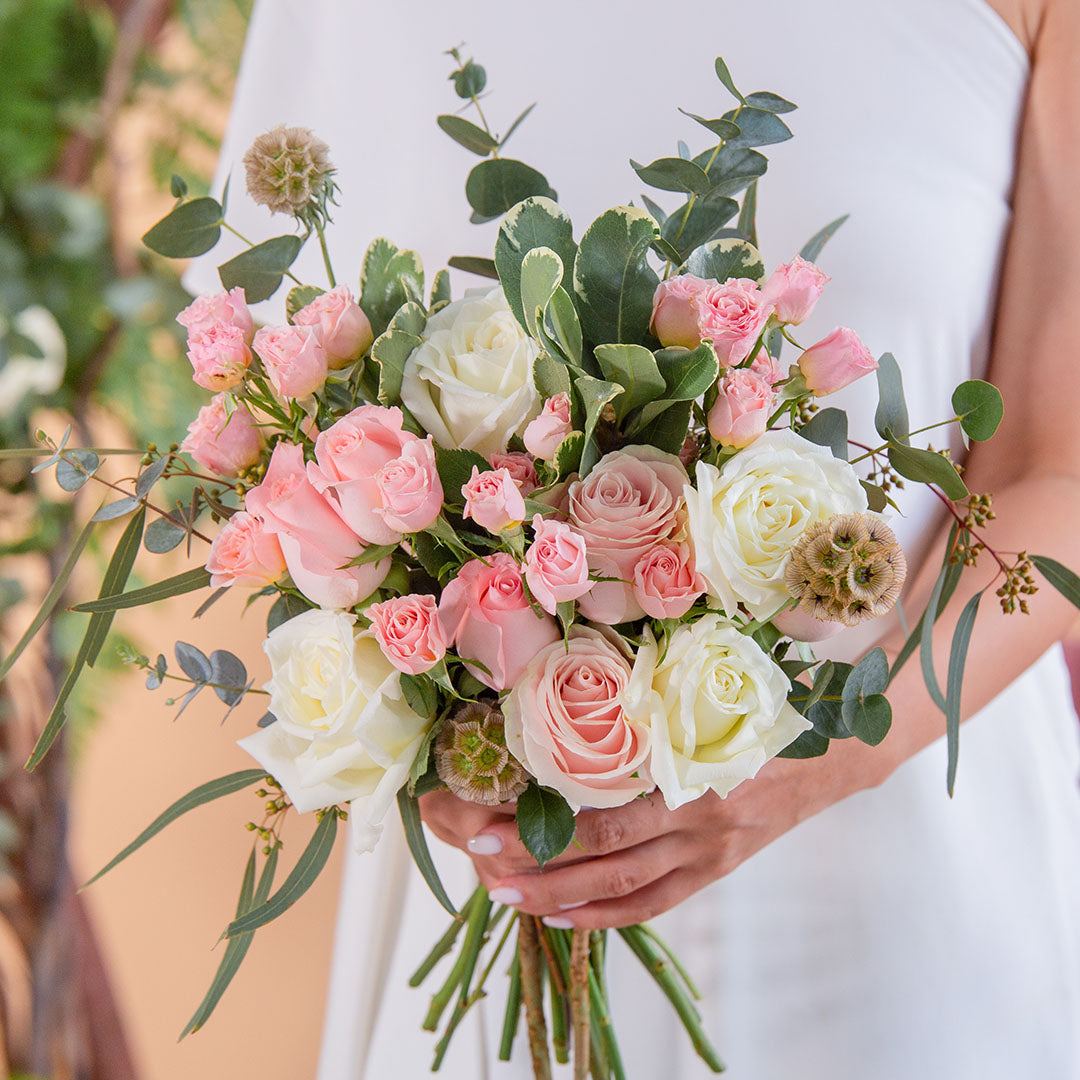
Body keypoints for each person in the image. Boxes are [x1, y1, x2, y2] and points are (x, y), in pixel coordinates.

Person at [186, 0, 1080, 1075]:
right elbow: (277, 404)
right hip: (503, 886)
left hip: (899, 899)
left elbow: (1058, 467)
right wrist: (422, 714)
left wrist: (825, 757)